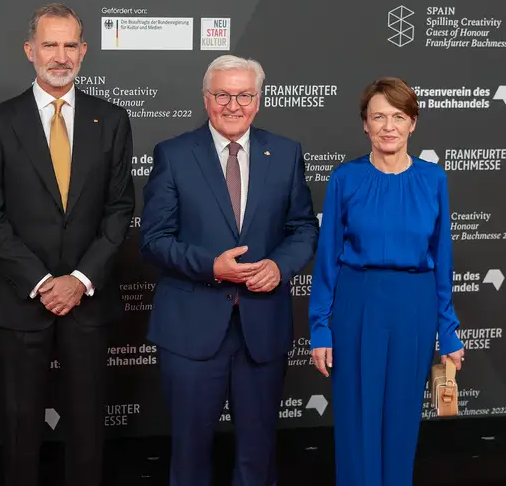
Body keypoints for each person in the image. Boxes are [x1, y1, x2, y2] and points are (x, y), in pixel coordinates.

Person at [0, 3, 135, 486]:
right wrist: (43, 282)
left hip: (88, 298)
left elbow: (120, 208)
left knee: (87, 427)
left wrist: (80, 280)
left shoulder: (112, 120)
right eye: (49, 44)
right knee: (21, 428)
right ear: (30, 51)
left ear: (83, 51)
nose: (60, 56)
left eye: (69, 45)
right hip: (24, 300)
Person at [140, 54, 319, 486]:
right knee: (189, 455)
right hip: (191, 328)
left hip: (262, 328)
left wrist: (279, 266)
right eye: (222, 94)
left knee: (258, 454)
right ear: (206, 99)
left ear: (258, 101)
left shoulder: (286, 153)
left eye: (244, 95)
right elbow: (154, 239)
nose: (233, 104)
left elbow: (302, 229)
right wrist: (212, 267)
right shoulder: (174, 154)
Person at [308, 76, 466, 486]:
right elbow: (326, 260)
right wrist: (320, 328)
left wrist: (448, 332)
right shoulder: (345, 179)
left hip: (414, 306)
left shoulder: (434, 179)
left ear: (413, 123)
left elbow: (442, 260)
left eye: (398, 116)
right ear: (365, 124)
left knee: (401, 419)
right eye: (378, 116)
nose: (388, 126)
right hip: (356, 304)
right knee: (356, 422)